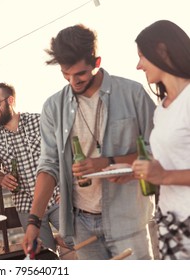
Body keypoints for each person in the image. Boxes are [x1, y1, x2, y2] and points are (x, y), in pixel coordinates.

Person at [22, 24, 157, 260]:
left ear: (96, 63)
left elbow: (158, 150)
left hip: (129, 218)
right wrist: (34, 222)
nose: (73, 81)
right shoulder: (53, 107)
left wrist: (109, 162)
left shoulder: (133, 94)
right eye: (66, 73)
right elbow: (48, 166)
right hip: (81, 223)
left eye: (80, 74)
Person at [132, 20, 190, 259]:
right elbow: (170, 160)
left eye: (142, 56)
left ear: (162, 51)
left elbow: (167, 172)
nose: (138, 65)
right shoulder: (161, 109)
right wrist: (128, 169)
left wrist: (164, 176)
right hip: (170, 222)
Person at [0, 82, 64, 252]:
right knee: (43, 256)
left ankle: (58, 241)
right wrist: (2, 178)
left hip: (57, 197)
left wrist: (66, 189)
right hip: (26, 205)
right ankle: (50, 242)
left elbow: (63, 154)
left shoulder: (39, 120)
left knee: (77, 241)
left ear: (10, 100)